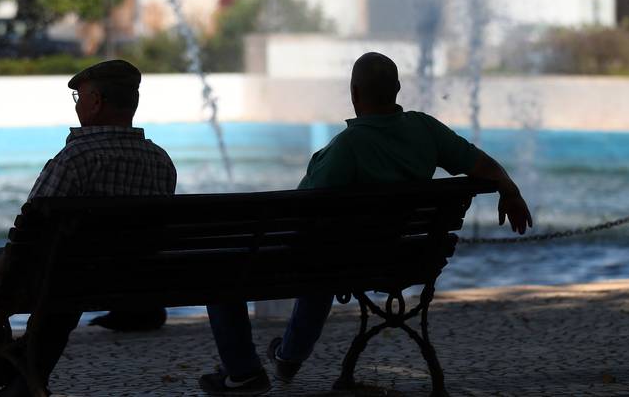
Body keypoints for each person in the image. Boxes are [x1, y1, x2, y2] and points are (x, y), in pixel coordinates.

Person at [199, 52, 533, 396]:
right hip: (398, 259)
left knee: (227, 269)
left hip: (336, 260)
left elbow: (298, 212)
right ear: (398, 89)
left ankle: (243, 372)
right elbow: (483, 165)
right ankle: (288, 356)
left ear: (355, 93)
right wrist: (510, 191)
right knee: (325, 258)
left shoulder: (348, 147)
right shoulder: (426, 130)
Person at [0, 60, 177, 397]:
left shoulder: (75, 159)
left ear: (96, 102)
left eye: (79, 96)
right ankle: (22, 374)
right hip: (127, 281)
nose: (77, 105)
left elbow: (25, 239)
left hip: (60, 279)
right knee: (63, 277)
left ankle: (3, 367)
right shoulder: (161, 161)